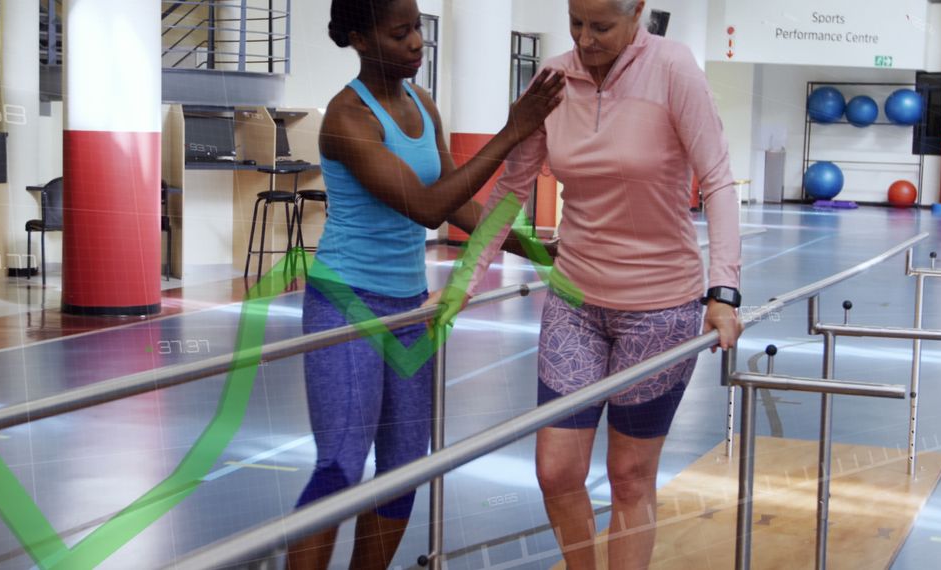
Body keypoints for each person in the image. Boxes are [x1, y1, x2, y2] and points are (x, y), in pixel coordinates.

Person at [448, 0, 743, 568]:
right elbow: (512, 190)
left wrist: (723, 290)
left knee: (630, 476)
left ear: (638, 13)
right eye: (576, 23)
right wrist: (464, 281)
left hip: (659, 307)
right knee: (556, 471)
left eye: (602, 26)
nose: (585, 39)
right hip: (576, 300)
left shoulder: (674, 69)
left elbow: (718, 181)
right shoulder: (553, 80)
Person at [286, 1, 565, 568]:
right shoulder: (348, 119)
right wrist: (512, 132)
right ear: (361, 40)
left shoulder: (421, 102)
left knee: (404, 464)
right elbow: (426, 207)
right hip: (346, 301)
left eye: (417, 27)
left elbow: (456, 203)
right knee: (341, 465)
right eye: (401, 32)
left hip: (408, 306)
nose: (418, 42)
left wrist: (537, 250)